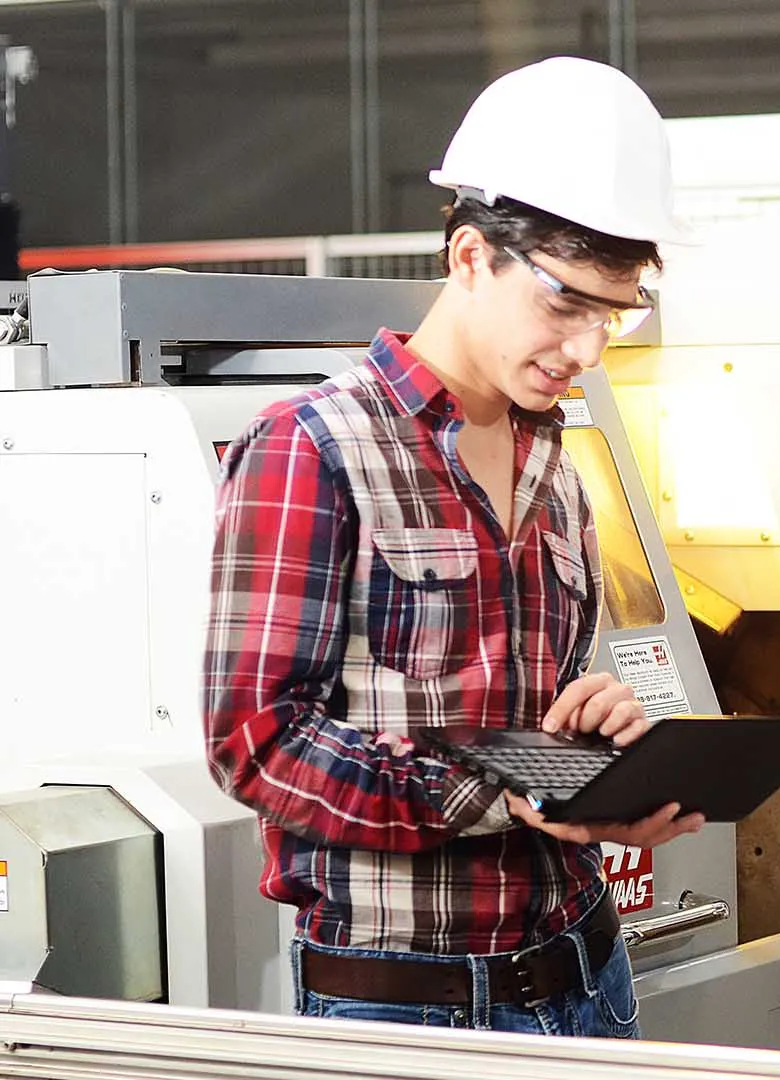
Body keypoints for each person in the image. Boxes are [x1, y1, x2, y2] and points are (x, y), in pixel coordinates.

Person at [202, 56, 704, 1037]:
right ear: (471, 257)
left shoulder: (558, 471)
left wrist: (599, 738)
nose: (589, 350)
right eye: (566, 304)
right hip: (412, 1012)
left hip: (587, 979)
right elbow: (256, 742)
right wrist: (506, 795)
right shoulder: (312, 449)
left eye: (613, 312)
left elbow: (532, 721)